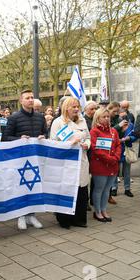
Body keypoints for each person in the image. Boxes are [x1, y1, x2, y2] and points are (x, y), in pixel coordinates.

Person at [3, 89, 47, 230]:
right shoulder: (14, 118)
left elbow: (45, 133)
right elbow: (5, 137)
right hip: (20, 158)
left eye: (32, 97)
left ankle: (31, 215)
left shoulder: (40, 117)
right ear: (21, 101)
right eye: (27, 98)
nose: (30, 100)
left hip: (36, 158)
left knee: (34, 185)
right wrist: (19, 139)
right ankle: (21, 215)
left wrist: (43, 137)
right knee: (21, 186)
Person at [50, 97, 90, 229]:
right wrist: (69, 143)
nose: (77, 109)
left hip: (81, 160)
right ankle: (64, 219)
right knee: (66, 190)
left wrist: (87, 145)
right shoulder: (58, 122)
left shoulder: (83, 121)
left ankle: (79, 219)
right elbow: (53, 142)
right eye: (73, 107)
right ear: (66, 108)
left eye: (77, 106)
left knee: (81, 190)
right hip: (66, 162)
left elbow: (88, 138)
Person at [89, 108, 121, 223]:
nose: (107, 118)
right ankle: (97, 211)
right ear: (98, 118)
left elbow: (118, 145)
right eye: (104, 117)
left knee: (107, 189)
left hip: (113, 164)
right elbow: (95, 149)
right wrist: (109, 159)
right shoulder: (94, 132)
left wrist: (116, 158)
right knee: (99, 189)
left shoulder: (113, 131)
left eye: (108, 116)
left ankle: (104, 210)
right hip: (100, 165)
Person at [114, 108, 137, 198]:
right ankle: (114, 188)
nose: (122, 115)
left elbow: (135, 136)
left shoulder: (131, 125)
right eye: (120, 113)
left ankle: (127, 189)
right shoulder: (116, 125)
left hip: (127, 149)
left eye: (124, 113)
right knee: (115, 170)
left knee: (127, 171)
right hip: (117, 149)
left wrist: (129, 138)